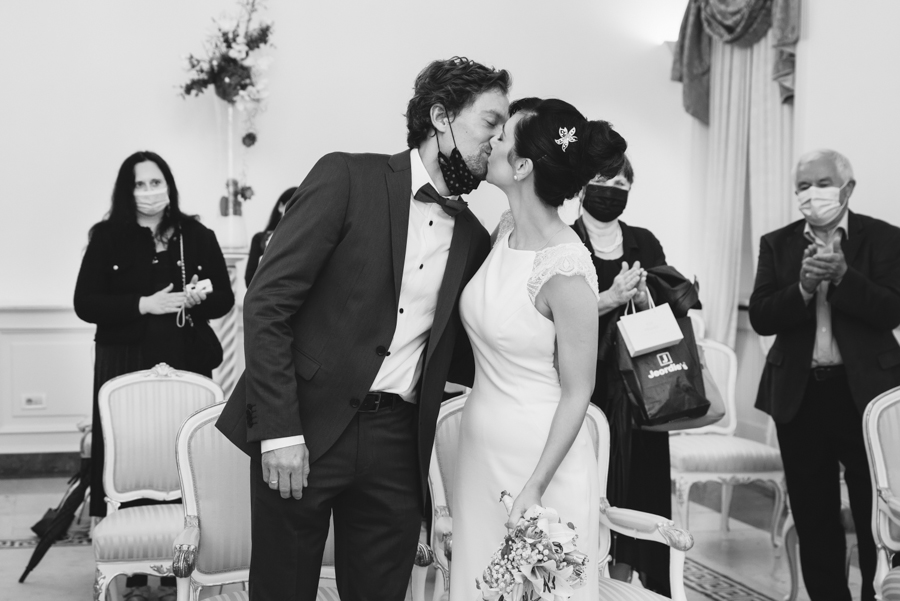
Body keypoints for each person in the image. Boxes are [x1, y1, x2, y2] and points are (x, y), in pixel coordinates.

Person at [215, 57, 510, 601]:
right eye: (491, 122)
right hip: (304, 426)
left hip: (397, 443)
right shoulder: (347, 177)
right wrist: (280, 431)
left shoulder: (473, 236)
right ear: (441, 117)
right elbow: (267, 303)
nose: (498, 140)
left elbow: (470, 351)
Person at [450, 98, 627, 601]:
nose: (491, 141)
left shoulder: (566, 266)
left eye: (502, 136)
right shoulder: (504, 231)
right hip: (479, 450)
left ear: (523, 166)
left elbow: (578, 391)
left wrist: (535, 485)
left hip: (539, 460)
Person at [74, 150, 234, 601]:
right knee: (132, 454)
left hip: (185, 360)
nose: (149, 192)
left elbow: (224, 299)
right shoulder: (107, 237)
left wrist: (198, 297)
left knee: (179, 454)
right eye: (139, 184)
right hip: (124, 360)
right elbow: (85, 302)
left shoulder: (196, 234)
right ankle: (133, 568)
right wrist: (143, 304)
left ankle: (181, 566)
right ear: (127, 191)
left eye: (155, 182)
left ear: (169, 185)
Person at [749, 149, 900, 601]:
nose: (811, 194)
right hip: (800, 397)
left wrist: (844, 276)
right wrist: (803, 287)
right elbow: (761, 316)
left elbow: (892, 310)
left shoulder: (883, 238)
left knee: (876, 511)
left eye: (821, 183)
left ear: (847, 188)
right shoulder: (777, 243)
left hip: (867, 397)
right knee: (814, 516)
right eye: (802, 186)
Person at [572, 157, 672, 595]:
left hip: (641, 390)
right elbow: (548, 316)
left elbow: (667, 308)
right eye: (601, 179)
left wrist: (646, 295)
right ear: (582, 186)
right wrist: (610, 297)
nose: (611, 188)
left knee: (643, 490)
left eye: (620, 181)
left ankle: (637, 585)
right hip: (587, 387)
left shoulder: (643, 242)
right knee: (593, 489)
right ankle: (592, 581)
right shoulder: (567, 240)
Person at [244, 186, 297, 287]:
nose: (296, 211)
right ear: (280, 206)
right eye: (292, 204)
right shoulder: (259, 239)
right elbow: (249, 281)